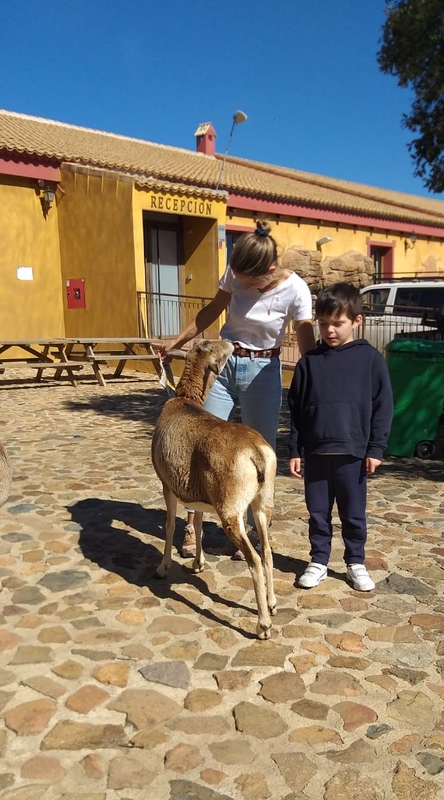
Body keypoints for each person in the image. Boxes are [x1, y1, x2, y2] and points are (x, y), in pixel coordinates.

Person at [159, 220, 315, 557]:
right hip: (224, 365)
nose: (241, 285)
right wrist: (178, 340)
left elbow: (305, 338)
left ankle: (258, 531)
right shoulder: (235, 272)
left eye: (249, 282)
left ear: (270, 270)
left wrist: (319, 373)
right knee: (199, 444)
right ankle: (192, 528)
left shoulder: (296, 290)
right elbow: (213, 309)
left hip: (263, 372)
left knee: (261, 453)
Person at [288, 282, 393, 591]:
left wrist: (376, 448)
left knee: (353, 513)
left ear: (356, 321)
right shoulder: (309, 362)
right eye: (324, 324)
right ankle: (319, 560)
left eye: (338, 323)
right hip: (316, 455)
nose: (330, 330)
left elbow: (382, 406)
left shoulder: (370, 360)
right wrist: (295, 449)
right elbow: (296, 409)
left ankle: (355, 562)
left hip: (354, 454)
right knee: (317, 513)